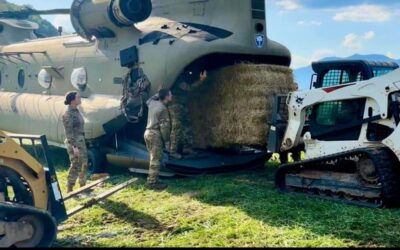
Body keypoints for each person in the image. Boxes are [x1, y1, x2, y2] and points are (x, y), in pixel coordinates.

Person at [169, 70, 207, 159]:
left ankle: (186, 148)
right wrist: (201, 81)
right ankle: (172, 151)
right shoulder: (177, 78)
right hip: (175, 105)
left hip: (182, 105)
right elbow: (188, 88)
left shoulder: (179, 76)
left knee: (187, 126)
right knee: (177, 128)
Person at [144, 88, 173, 190]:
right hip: (155, 134)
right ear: (166, 97)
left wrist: (158, 93)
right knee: (156, 159)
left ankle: (153, 178)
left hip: (147, 132)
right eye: (170, 94)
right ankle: (152, 183)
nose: (171, 96)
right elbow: (165, 128)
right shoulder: (163, 109)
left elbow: (147, 100)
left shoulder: (152, 103)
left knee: (153, 157)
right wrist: (167, 142)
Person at [62, 91, 89, 193]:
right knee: (76, 164)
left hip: (80, 141)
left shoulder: (76, 111)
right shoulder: (68, 115)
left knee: (84, 164)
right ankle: (70, 187)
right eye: (78, 97)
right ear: (73, 100)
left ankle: (83, 186)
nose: (80, 98)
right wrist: (74, 147)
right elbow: (69, 132)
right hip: (74, 143)